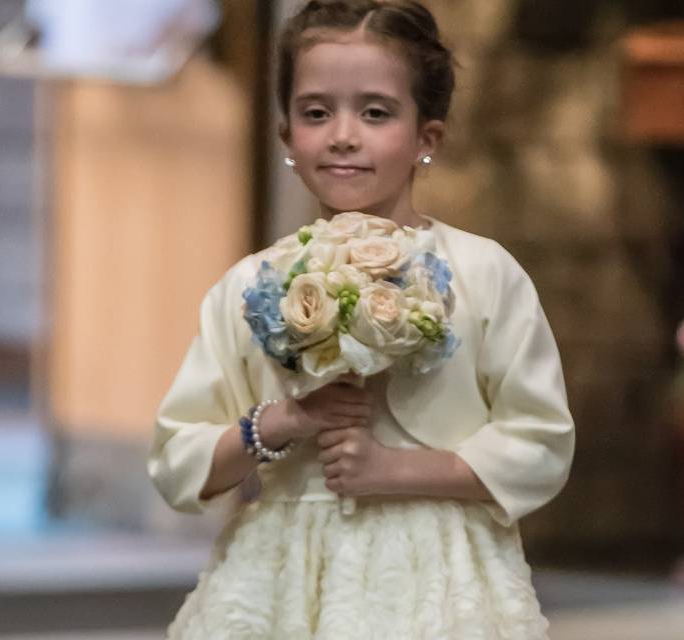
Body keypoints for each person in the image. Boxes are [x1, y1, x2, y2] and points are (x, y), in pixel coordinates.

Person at [148, 1, 575, 637]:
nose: (343, 134)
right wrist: (284, 420)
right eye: (316, 112)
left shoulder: (485, 274)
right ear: (287, 135)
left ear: (426, 136)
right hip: (287, 577)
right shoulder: (250, 286)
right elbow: (177, 459)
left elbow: (540, 441)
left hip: (442, 580)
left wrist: (397, 470)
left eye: (375, 112)